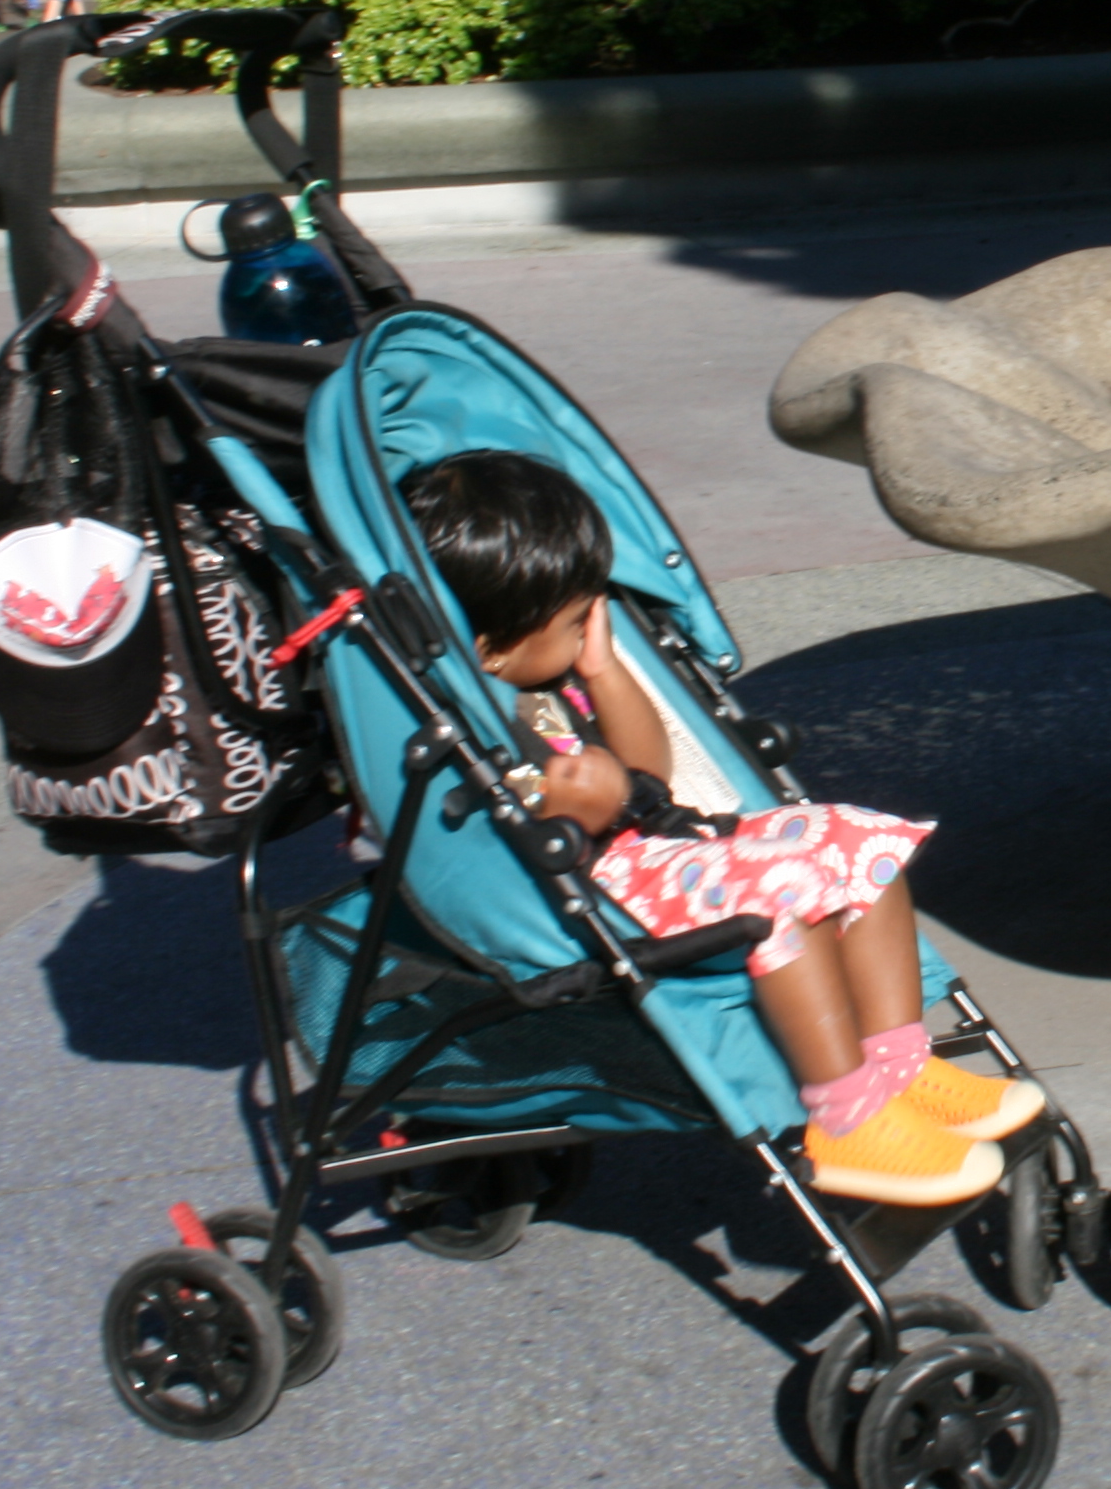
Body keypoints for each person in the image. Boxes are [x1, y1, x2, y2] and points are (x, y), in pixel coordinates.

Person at [400, 448, 1044, 1207]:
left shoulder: (547, 684)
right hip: (597, 892)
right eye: (575, 619)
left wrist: (603, 674)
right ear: (492, 644)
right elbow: (525, 837)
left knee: (862, 839)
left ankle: (897, 1064)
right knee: (779, 894)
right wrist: (582, 804)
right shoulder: (477, 725)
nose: (590, 625)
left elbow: (649, 774)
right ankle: (847, 1117)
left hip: (658, 854)